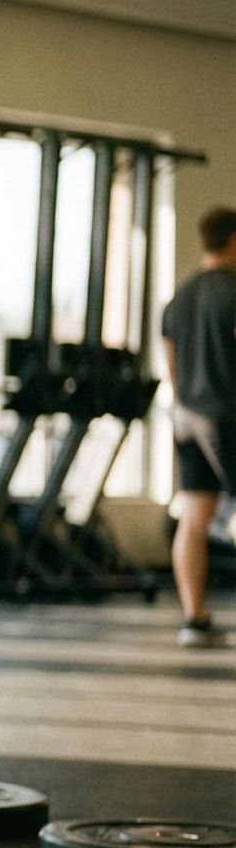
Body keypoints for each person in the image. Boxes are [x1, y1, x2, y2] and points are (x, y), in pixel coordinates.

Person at [163, 206, 236, 650]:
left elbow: (171, 364)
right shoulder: (232, 293)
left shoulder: (179, 298)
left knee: (194, 515)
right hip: (225, 416)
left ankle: (195, 618)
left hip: (186, 416)